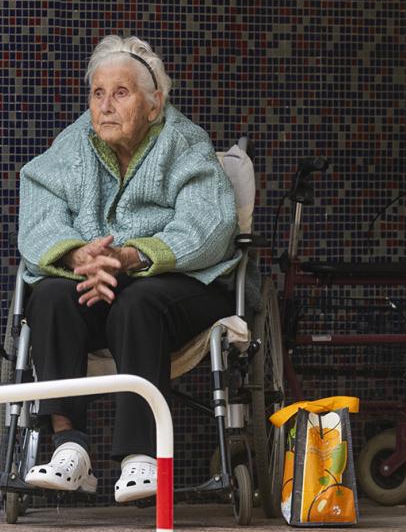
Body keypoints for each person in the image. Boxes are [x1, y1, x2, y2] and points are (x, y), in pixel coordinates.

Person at [17, 34, 240, 502]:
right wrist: (79, 256)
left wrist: (131, 257)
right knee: (52, 296)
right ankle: (69, 447)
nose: (105, 106)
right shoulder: (74, 142)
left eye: (121, 93)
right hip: (91, 283)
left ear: (154, 103)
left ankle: (141, 455)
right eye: (98, 93)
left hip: (180, 285)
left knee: (138, 302)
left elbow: (210, 224)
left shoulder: (186, 143)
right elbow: (39, 209)